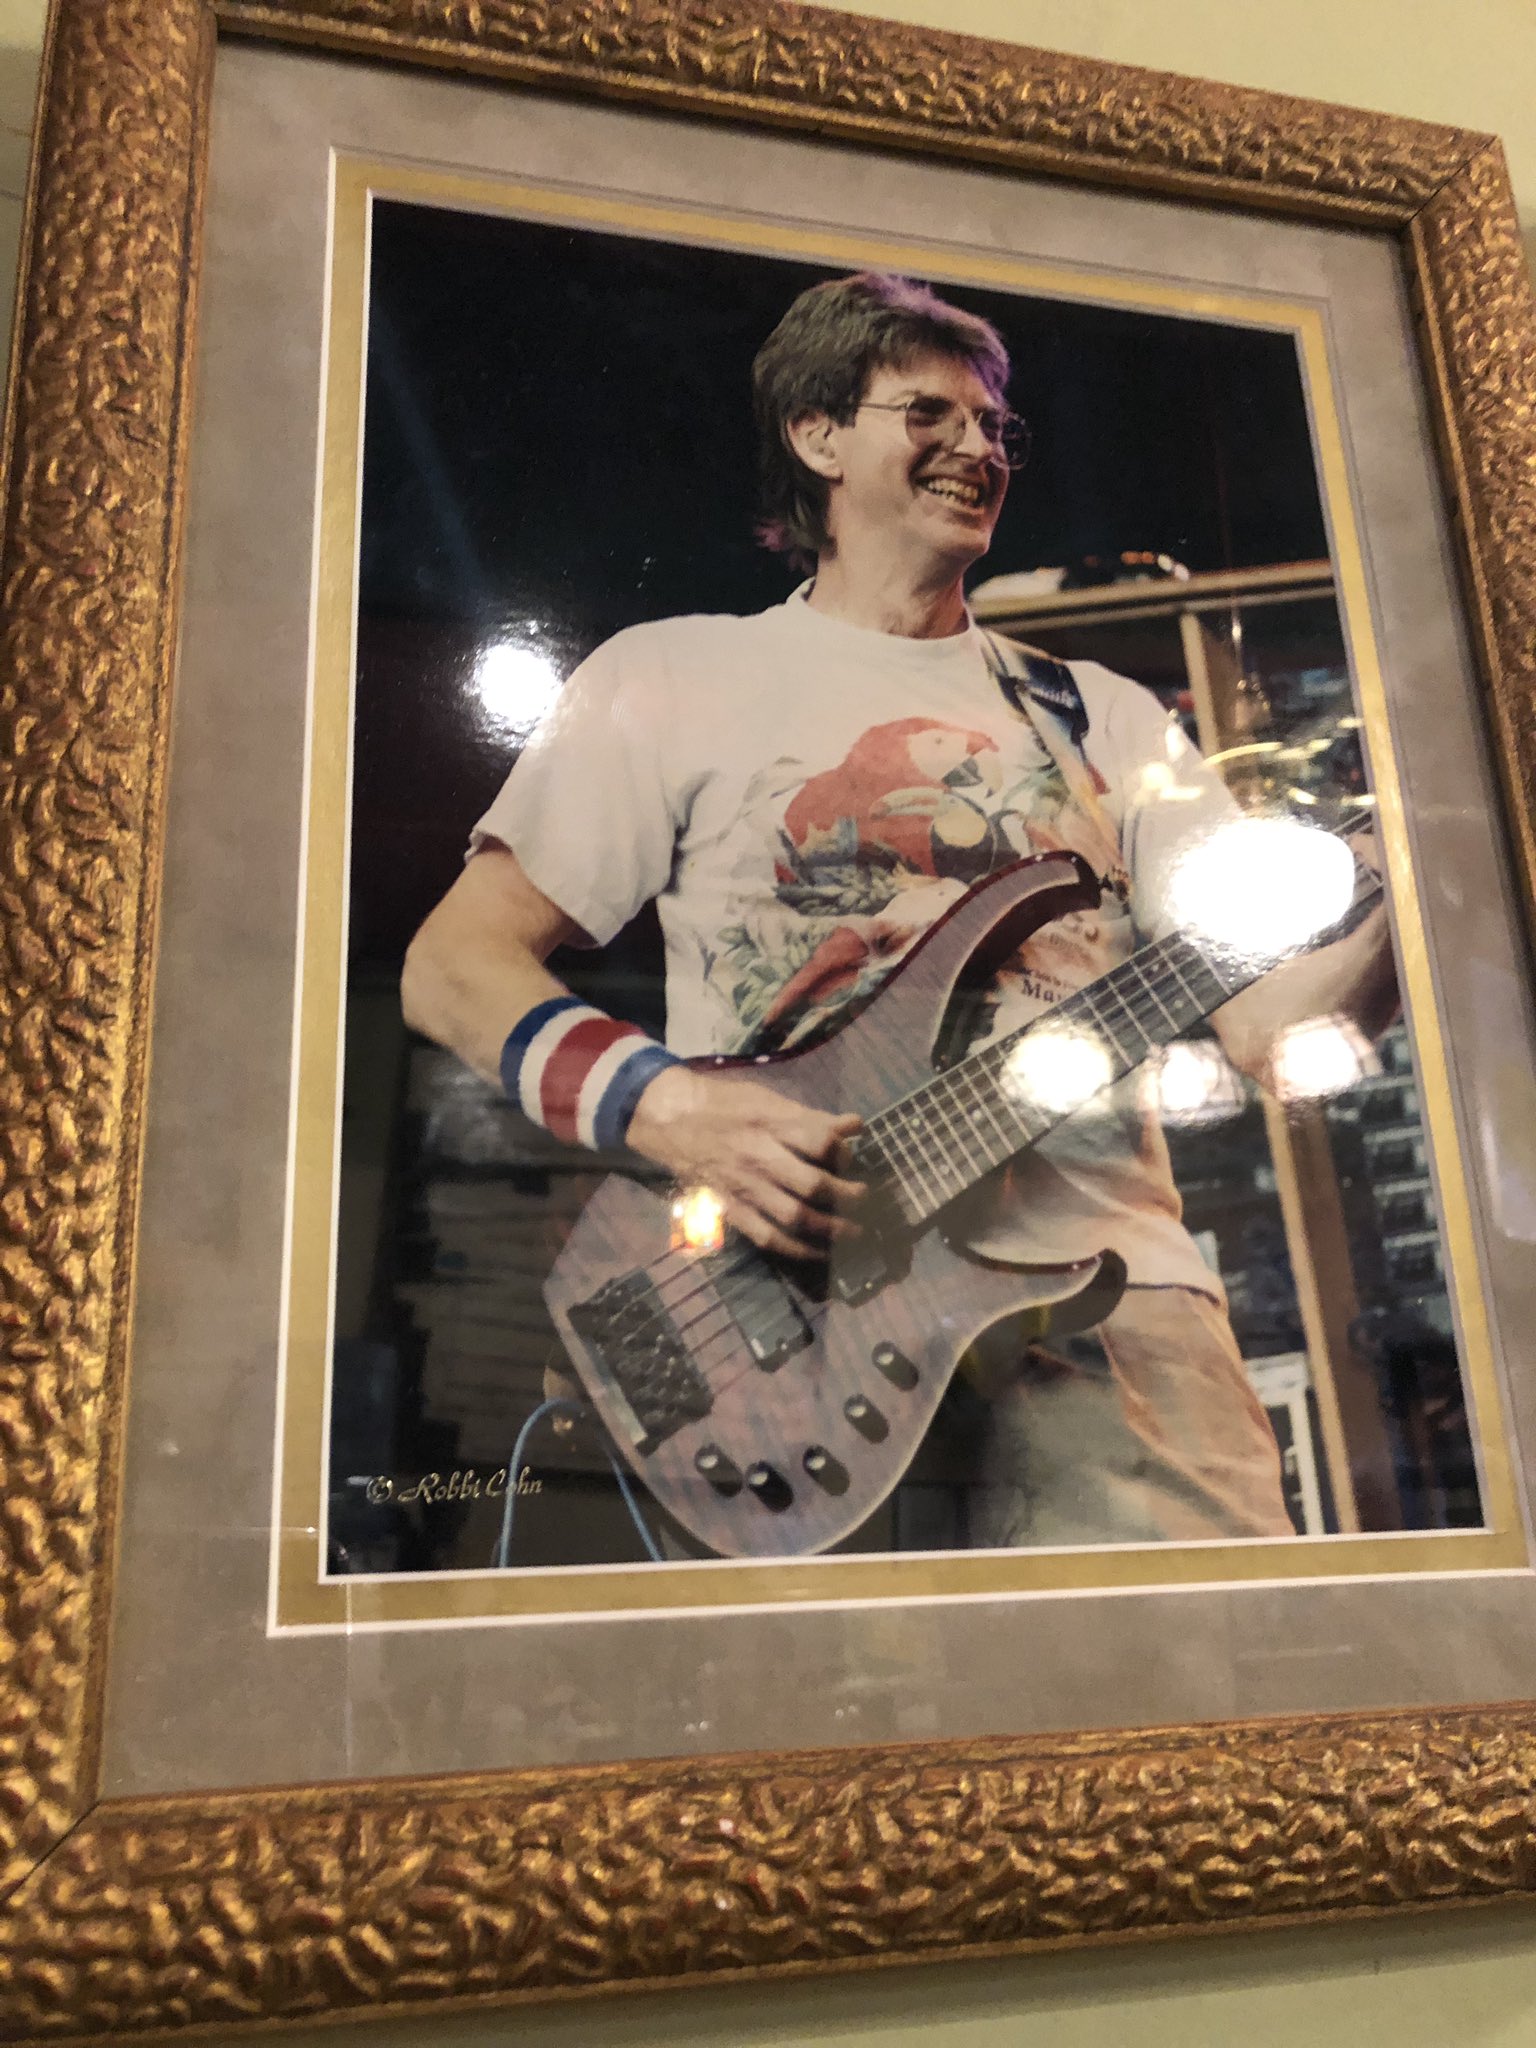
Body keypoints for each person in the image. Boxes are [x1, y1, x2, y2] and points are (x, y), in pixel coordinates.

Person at [402, 271, 1396, 1550]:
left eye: (997, 427)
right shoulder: (672, 676)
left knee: (1211, 1708)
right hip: (792, 1334)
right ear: (817, 434)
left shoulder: (1107, 716)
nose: (980, 446)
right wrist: (674, 1107)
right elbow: (452, 965)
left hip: (1113, 1311)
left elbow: (1270, 1034)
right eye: (930, 413)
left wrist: (1407, 892)